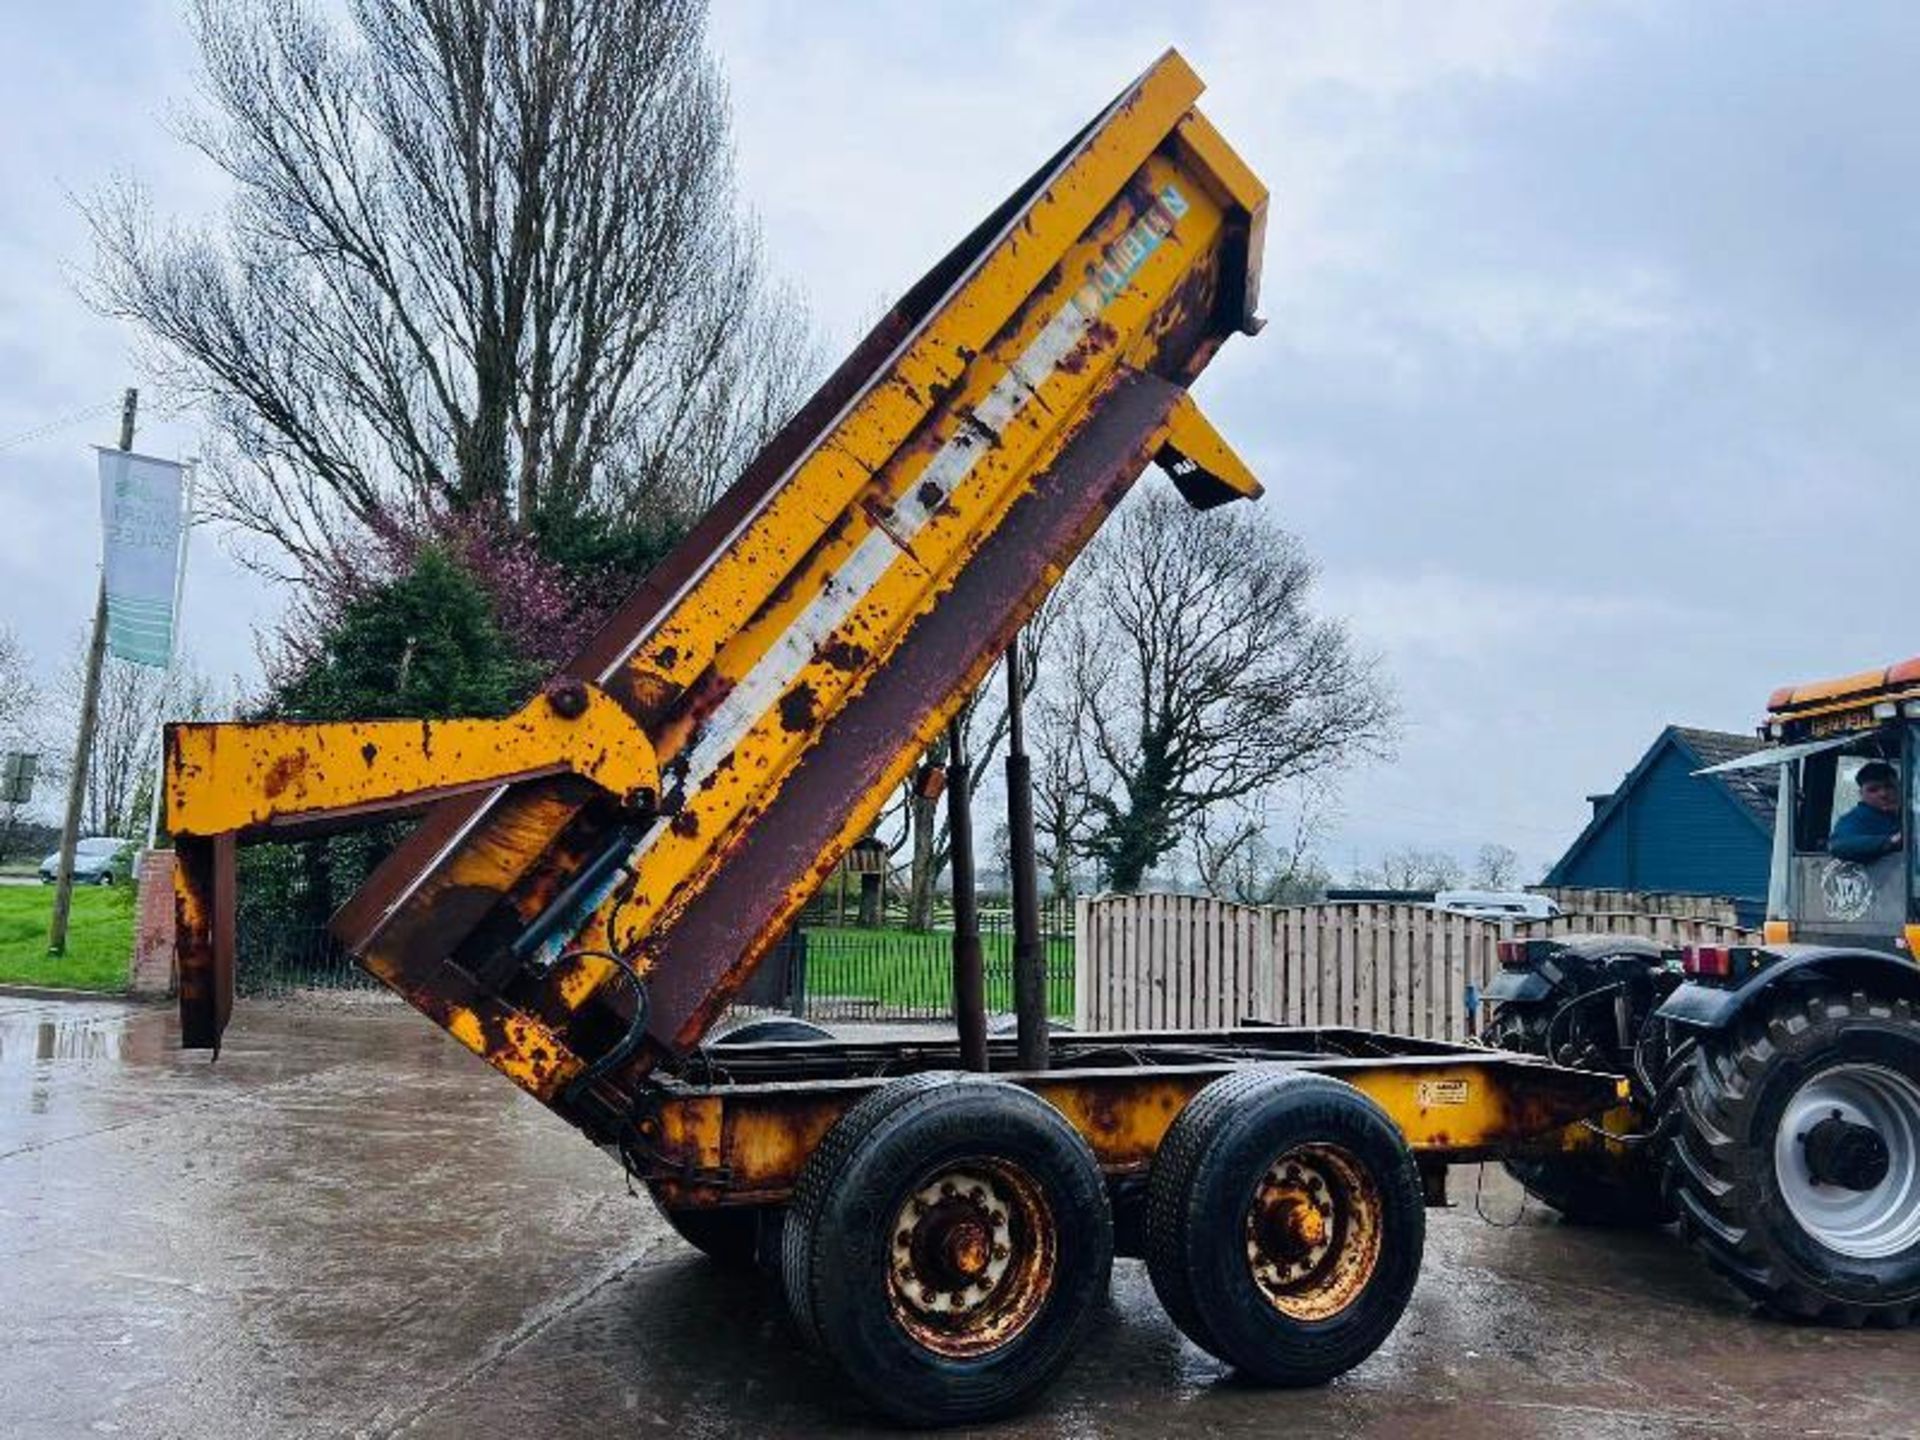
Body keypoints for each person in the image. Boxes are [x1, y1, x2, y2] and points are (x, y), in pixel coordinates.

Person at [1829, 760, 1904, 861]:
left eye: (1889, 786)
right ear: (1861, 794)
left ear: (1900, 788)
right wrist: (1890, 842)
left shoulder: (1911, 816)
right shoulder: (1855, 819)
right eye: (1873, 790)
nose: (1883, 794)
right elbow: (1838, 845)